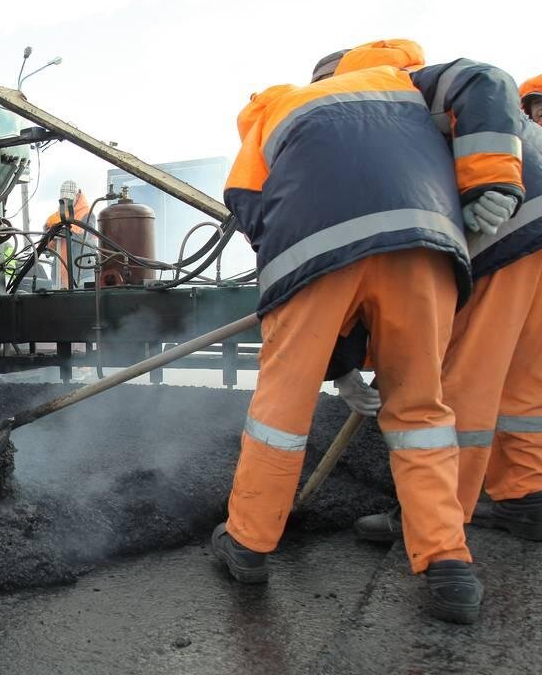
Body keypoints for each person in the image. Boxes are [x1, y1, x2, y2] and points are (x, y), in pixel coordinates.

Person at [211, 39, 524, 624]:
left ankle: (248, 543)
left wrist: (330, 350)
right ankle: (447, 562)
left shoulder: (275, 105)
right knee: (421, 411)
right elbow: (486, 78)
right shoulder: (414, 90)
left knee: (282, 407)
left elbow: (250, 205)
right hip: (426, 243)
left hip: (314, 245)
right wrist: (491, 181)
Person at [348, 57, 542, 547]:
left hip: (508, 234)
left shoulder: (388, 104)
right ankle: (527, 497)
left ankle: (435, 513)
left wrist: (347, 356)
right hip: (532, 230)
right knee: (526, 381)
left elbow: (379, 260)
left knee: (464, 380)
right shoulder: (424, 105)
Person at [43, 181, 93, 288]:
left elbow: (85, 238)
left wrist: (65, 231)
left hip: (82, 271)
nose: (66, 202)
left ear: (77, 196)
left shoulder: (87, 215)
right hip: (58, 275)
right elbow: (46, 246)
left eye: (69, 199)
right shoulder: (54, 219)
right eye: (64, 200)